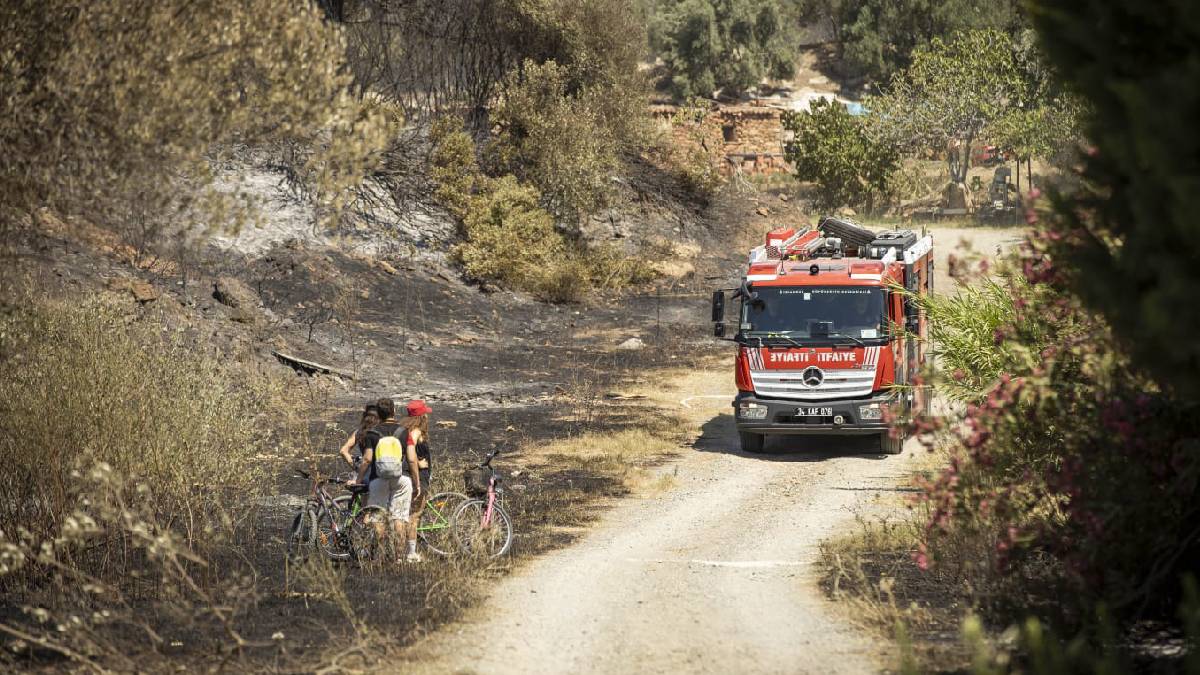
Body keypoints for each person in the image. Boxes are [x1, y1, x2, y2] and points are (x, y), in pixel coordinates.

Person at [354, 398, 422, 563]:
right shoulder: (404, 432)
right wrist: (417, 483)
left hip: (378, 478)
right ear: (393, 411)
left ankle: (380, 554)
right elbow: (412, 459)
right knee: (399, 517)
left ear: (379, 413)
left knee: (378, 516)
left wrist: (359, 479)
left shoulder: (372, 433)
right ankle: (398, 557)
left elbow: (367, 459)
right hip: (402, 478)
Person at [401, 399, 433, 563]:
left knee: (410, 515)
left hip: (415, 476)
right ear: (421, 417)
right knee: (414, 516)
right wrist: (418, 463)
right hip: (418, 478)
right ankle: (411, 553)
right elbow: (409, 452)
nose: (427, 417)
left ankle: (408, 551)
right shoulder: (415, 432)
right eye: (425, 414)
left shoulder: (406, 430)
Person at [338, 404, 380, 470]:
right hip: (380, 471)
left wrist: (356, 468)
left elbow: (343, 451)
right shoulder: (381, 432)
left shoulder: (359, 432)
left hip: (364, 471)